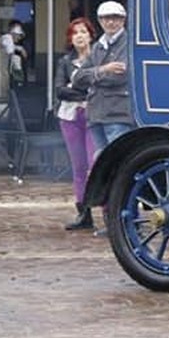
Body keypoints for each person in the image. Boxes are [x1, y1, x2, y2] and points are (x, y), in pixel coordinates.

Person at [72, 1, 136, 237]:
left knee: (121, 168)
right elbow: (78, 78)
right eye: (106, 18)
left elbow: (121, 76)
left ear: (123, 20)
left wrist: (96, 74)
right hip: (97, 115)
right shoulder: (99, 46)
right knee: (106, 169)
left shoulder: (127, 42)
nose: (110, 22)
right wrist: (103, 70)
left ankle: (126, 220)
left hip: (118, 113)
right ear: (99, 21)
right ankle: (111, 221)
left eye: (115, 18)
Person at [58, 18, 97, 231]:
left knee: (96, 163)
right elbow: (60, 90)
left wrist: (74, 87)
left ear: (91, 35)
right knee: (79, 166)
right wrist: (83, 91)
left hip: (94, 116)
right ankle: (84, 212)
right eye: (75, 33)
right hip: (70, 117)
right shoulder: (65, 62)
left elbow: (101, 85)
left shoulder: (99, 59)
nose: (79, 36)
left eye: (83, 31)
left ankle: (109, 212)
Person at [0, 20, 28, 87]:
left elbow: (12, 47)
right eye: (18, 36)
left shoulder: (8, 39)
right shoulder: (7, 38)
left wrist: (20, 49)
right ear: (13, 34)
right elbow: (10, 50)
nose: (19, 38)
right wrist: (21, 49)